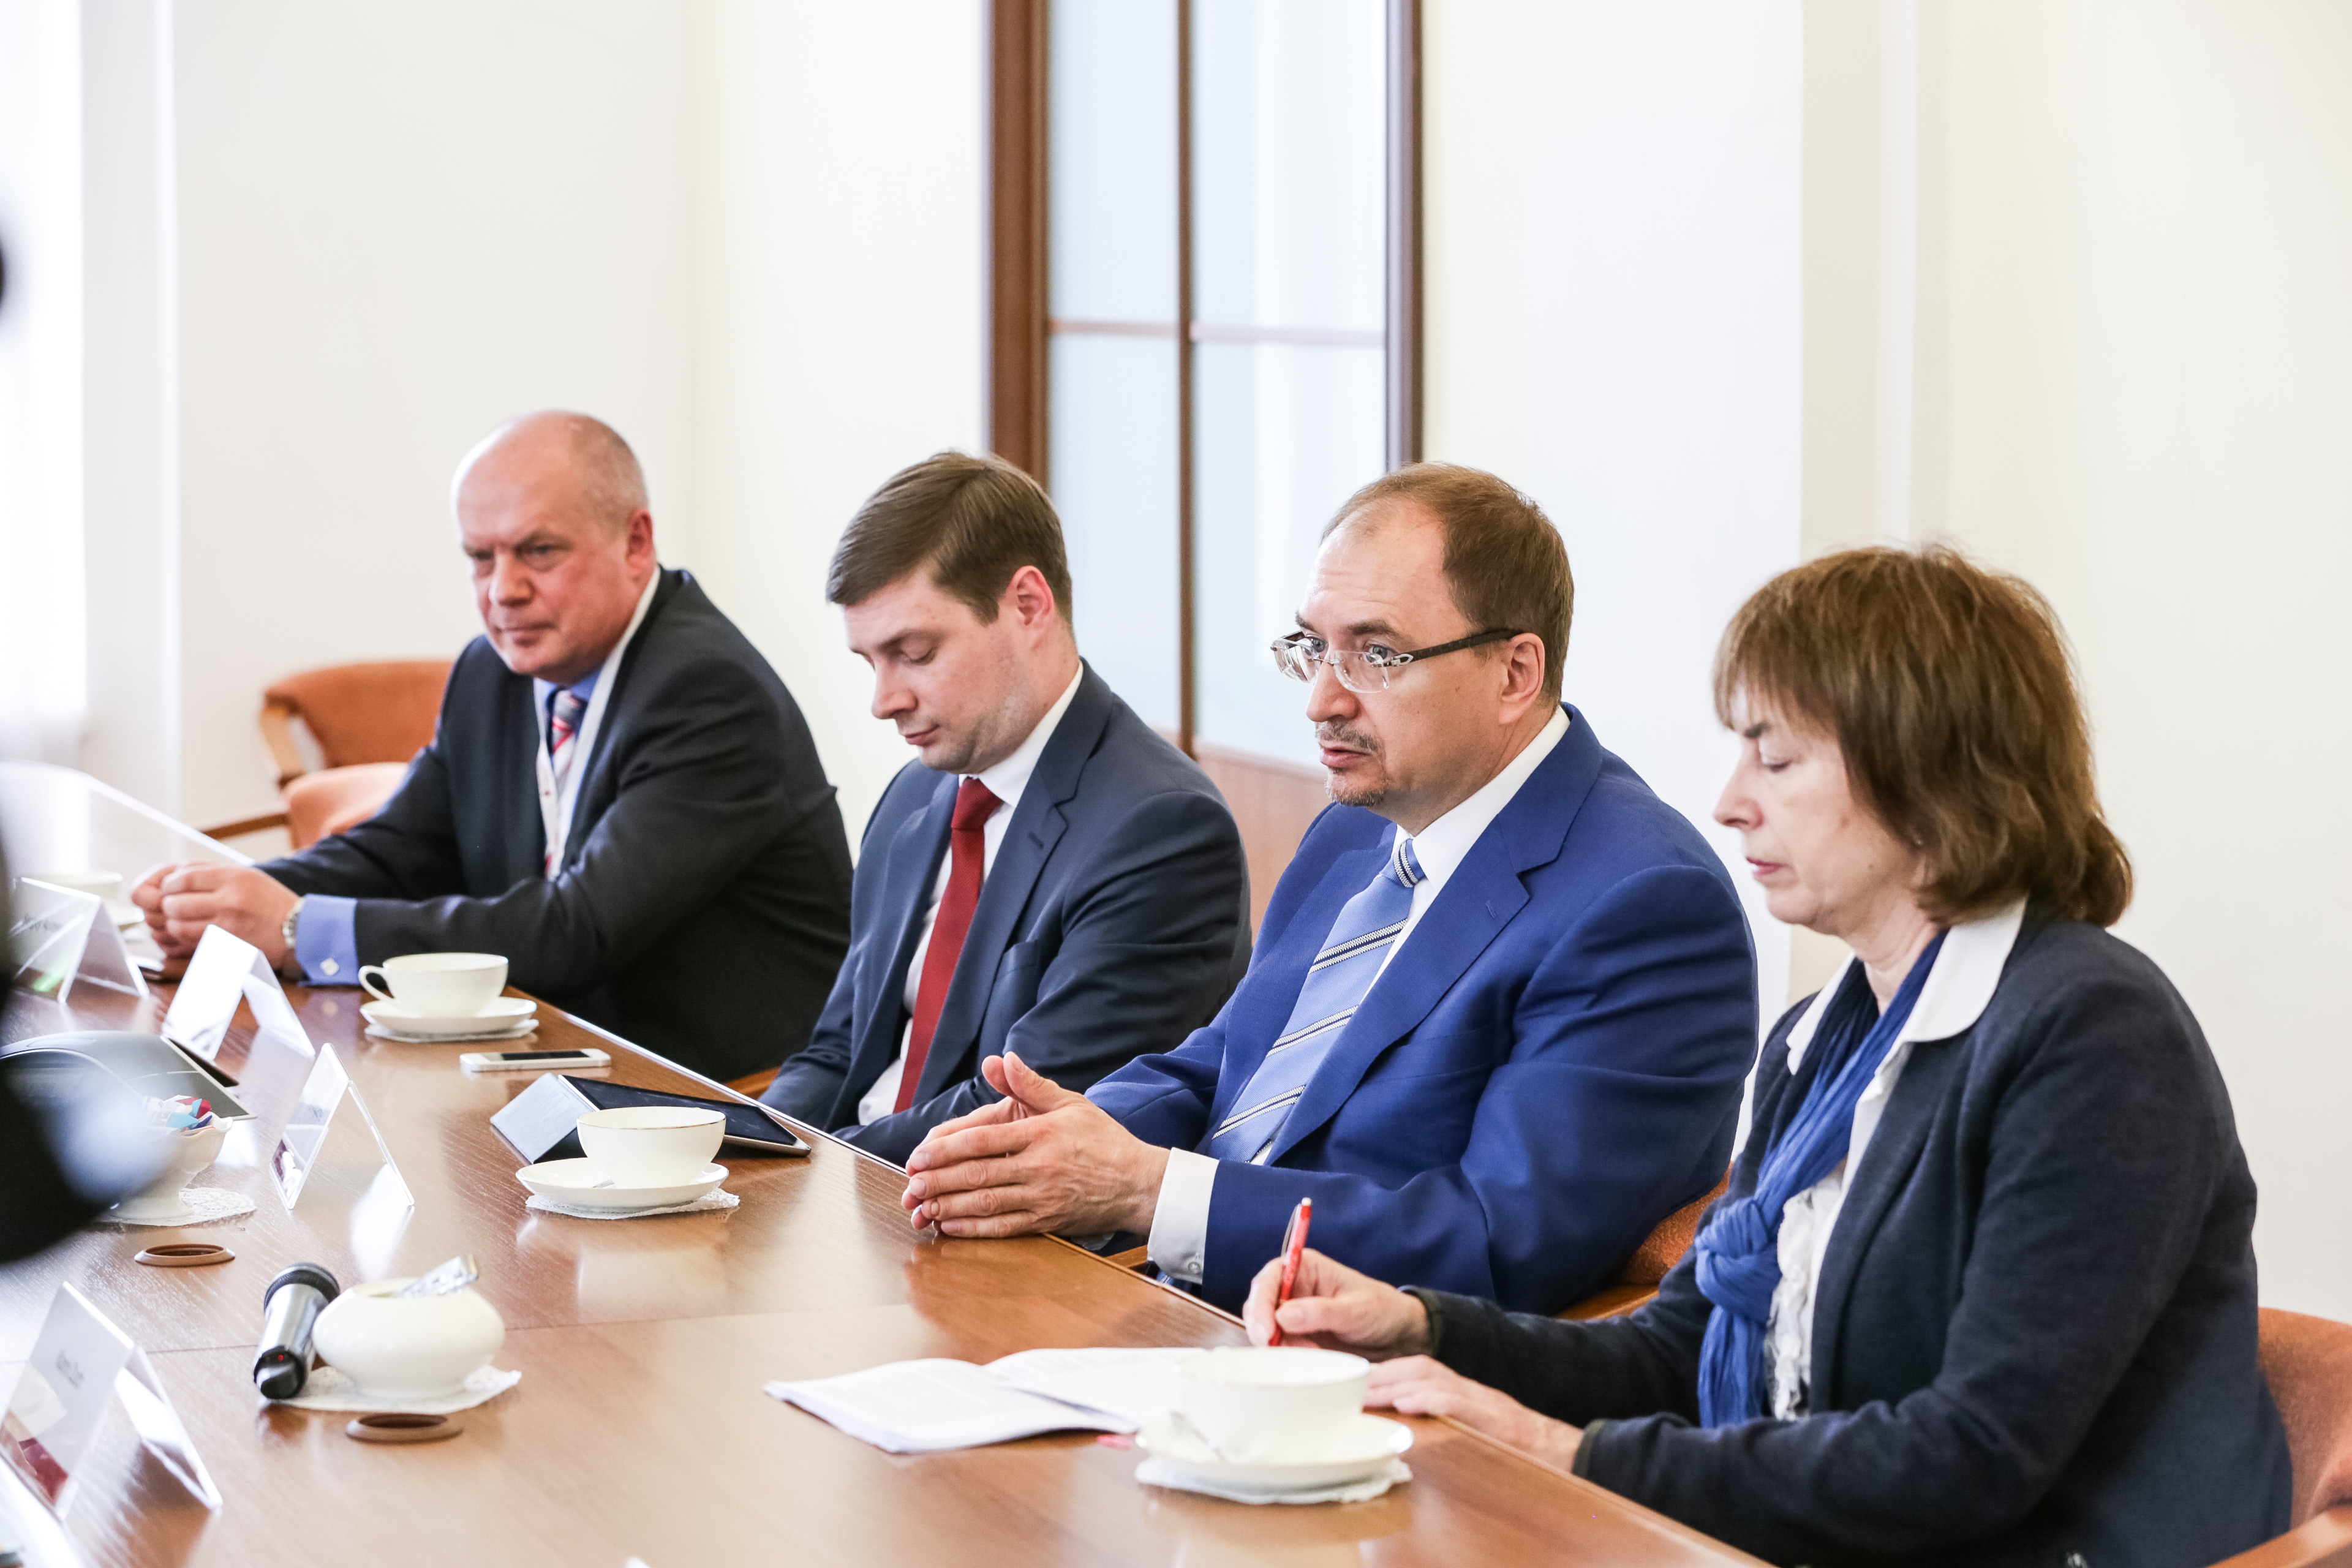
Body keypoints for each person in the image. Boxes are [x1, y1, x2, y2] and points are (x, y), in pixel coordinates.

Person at [1246, 545, 2290, 1567]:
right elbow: (1676, 1350)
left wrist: (1572, 1454)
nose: (1730, 800)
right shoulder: (1825, 1035)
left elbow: (1972, 1460)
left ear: (1929, 777)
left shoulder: (2094, 1037)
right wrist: (1420, 1328)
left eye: (1775, 757)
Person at [899, 463, 1759, 1313]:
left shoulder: (1648, 906)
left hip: (1382, 1386)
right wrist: (1056, 1141)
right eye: (1315, 648)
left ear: (1515, 674)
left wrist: (1150, 1193)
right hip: (1193, 1310)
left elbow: (1497, 1240)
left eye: (1376, 655)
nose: (1319, 702)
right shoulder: (1358, 828)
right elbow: (1226, 1064)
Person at [130, 412, 853, 1081]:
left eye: (539, 551)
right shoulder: (494, 669)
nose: (504, 589)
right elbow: (400, 850)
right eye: (481, 557)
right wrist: (230, 905)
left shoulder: (708, 690)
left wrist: (291, 928)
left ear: (636, 542)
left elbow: (577, 928)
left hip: (716, 1096)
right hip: (546, 1056)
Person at [758, 453, 1248, 1165]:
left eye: (915, 652)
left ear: (1028, 605)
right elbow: (839, 1047)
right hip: (855, 1181)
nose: (884, 701)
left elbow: (1020, 1108)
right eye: (871, 662)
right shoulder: (913, 796)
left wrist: (819, 1166)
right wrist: (744, 1143)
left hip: (992, 1224)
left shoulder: (1162, 829)